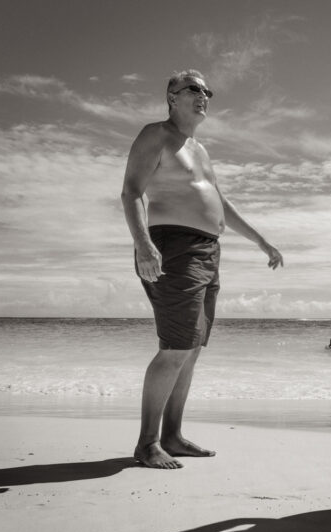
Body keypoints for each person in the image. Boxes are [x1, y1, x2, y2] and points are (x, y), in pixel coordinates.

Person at [121, 69, 283, 469]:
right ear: (172, 96)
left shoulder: (200, 150)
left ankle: (172, 436)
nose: (204, 95)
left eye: (208, 90)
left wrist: (261, 240)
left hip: (208, 251)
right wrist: (143, 244)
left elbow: (219, 203)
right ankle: (147, 443)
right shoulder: (156, 135)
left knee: (191, 349)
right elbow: (131, 191)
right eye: (194, 88)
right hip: (172, 247)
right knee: (175, 347)